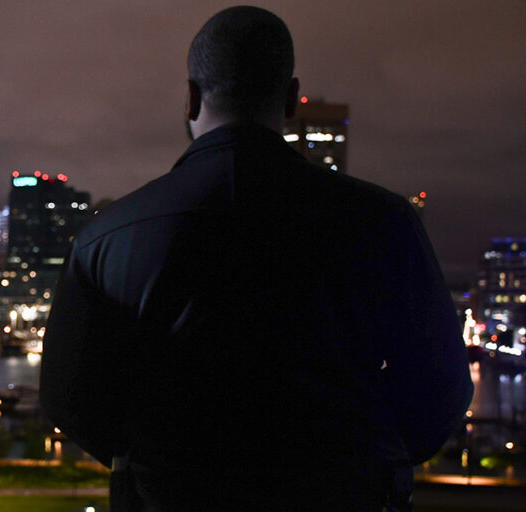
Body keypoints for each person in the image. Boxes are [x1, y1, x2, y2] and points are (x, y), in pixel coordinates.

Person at [40, 6, 473, 511]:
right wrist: (362, 459)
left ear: (191, 98)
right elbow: (441, 389)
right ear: (290, 99)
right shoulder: (386, 223)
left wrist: (153, 459)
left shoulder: (106, 239)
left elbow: (69, 397)